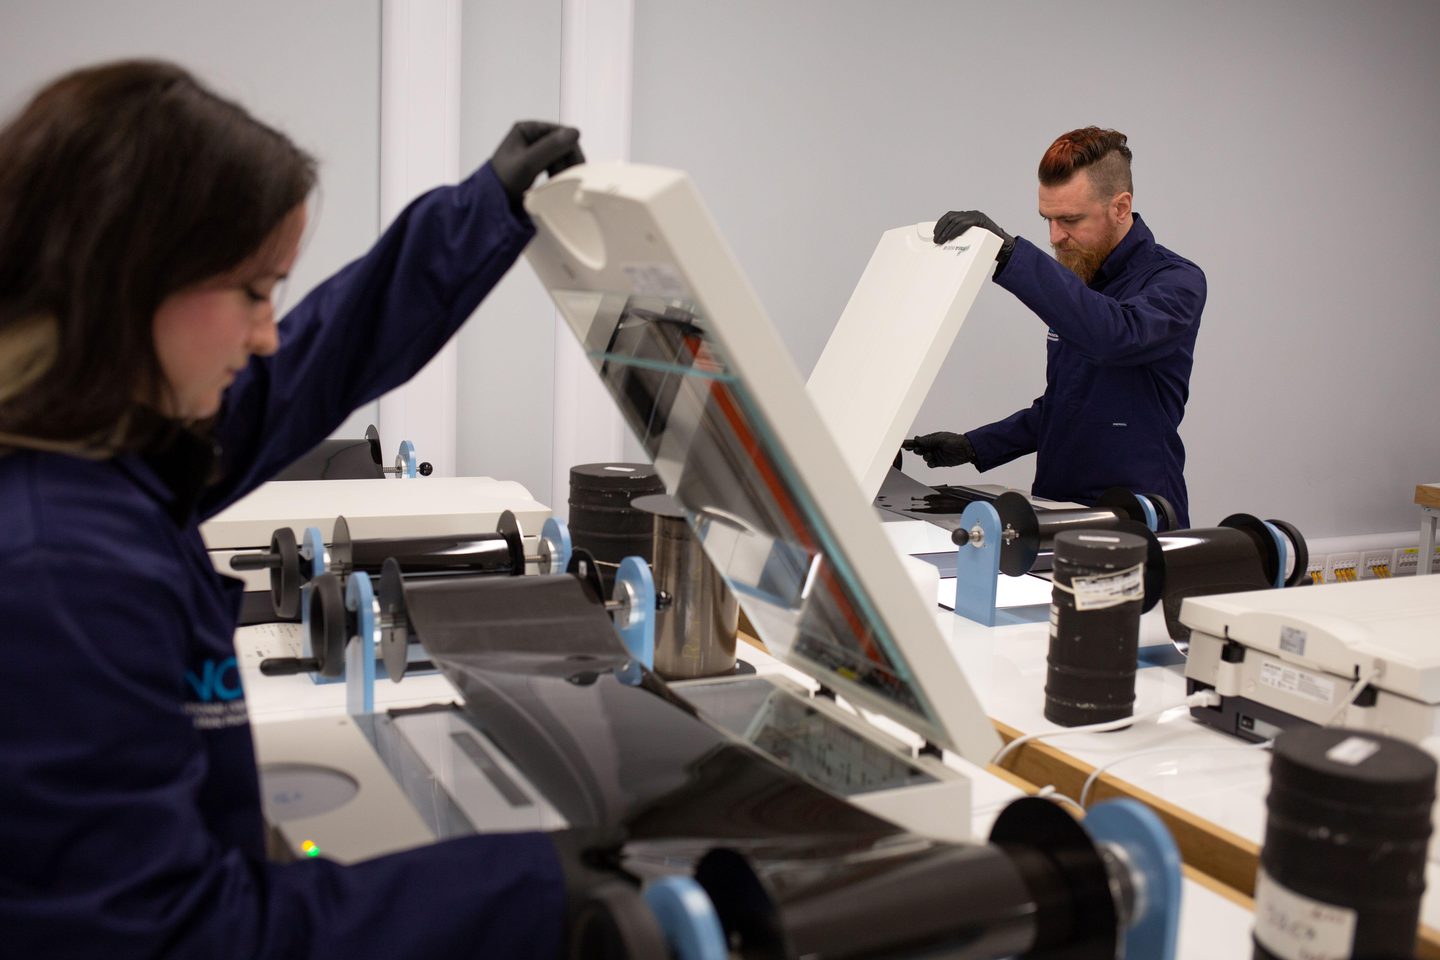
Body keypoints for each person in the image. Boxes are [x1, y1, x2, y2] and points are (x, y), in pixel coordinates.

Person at [0, 60, 600, 958]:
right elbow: (175, 937)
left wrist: (481, 210)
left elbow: (314, 362)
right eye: (253, 291)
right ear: (126, 277)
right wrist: (542, 890)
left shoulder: (107, 440)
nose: (266, 332)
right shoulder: (58, 567)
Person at [910, 127, 1206, 526]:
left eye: (1069, 219)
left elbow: (1116, 336)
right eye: (1047, 219)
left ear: (1121, 207)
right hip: (1056, 508)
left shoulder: (1176, 282)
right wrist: (973, 446)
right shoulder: (1079, 282)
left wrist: (1010, 254)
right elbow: (1066, 405)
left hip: (1138, 515)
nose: (1055, 237)